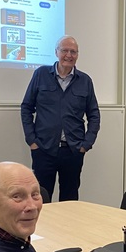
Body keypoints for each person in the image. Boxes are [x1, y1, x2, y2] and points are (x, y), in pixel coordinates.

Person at [20, 36, 101, 201]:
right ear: (56, 52)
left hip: (73, 151)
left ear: (77, 55)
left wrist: (86, 144)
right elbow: (26, 107)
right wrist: (32, 140)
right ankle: (41, 228)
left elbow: (94, 114)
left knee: (70, 200)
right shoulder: (41, 74)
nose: (68, 55)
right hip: (43, 149)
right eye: (65, 50)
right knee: (41, 199)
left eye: (73, 52)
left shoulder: (85, 81)